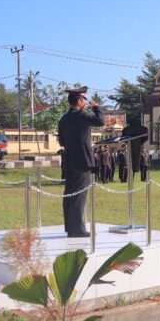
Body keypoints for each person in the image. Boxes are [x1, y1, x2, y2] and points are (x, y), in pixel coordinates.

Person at [57, 87, 104, 238]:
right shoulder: (81, 115)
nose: (85, 102)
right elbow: (100, 121)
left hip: (69, 160)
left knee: (70, 194)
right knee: (79, 195)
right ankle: (77, 229)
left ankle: (70, 227)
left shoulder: (64, 118)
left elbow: (61, 141)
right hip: (82, 160)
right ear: (79, 101)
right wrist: (96, 108)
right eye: (84, 99)